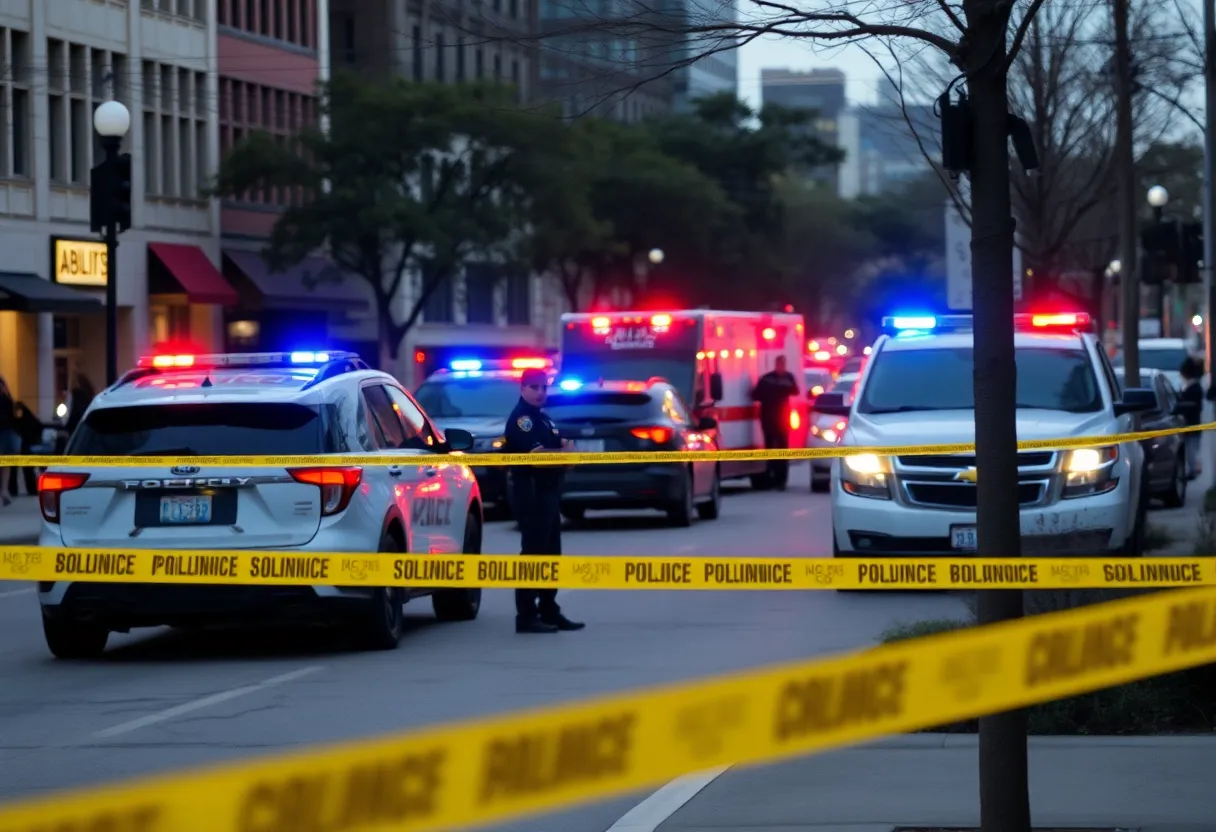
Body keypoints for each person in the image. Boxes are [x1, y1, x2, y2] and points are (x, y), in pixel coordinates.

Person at [502, 368, 585, 634]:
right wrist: (563, 452)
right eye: (534, 387)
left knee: (551, 555)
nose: (540, 393)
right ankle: (526, 614)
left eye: (544, 387)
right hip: (532, 494)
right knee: (533, 555)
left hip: (549, 494)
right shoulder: (521, 420)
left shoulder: (544, 420)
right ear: (522, 388)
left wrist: (564, 452)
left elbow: (565, 454)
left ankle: (549, 609)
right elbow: (539, 456)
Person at [751, 355, 799, 490]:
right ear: (776, 364)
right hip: (768, 418)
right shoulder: (767, 379)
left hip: (782, 418)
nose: (781, 367)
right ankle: (770, 477)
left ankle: (781, 480)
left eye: (783, 364)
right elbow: (756, 395)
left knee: (783, 449)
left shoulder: (788, 378)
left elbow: (795, 391)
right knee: (770, 448)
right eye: (779, 364)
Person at [1178, 358, 1205, 480]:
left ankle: (1194, 469)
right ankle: (1194, 468)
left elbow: (1190, 406)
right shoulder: (1193, 387)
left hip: (1192, 424)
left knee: (1191, 449)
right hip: (1192, 424)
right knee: (1191, 449)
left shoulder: (1193, 388)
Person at [0, 377, 18, 507]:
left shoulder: (6, 398)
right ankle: (4, 490)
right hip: (5, 431)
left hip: (6, 431)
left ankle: (4, 490)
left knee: (6, 462)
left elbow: (13, 413)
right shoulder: (6, 397)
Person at [64, 373, 95, 437]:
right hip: (87, 431)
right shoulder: (90, 396)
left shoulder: (72, 396)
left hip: (74, 433)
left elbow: (65, 420)